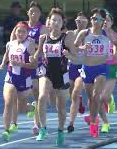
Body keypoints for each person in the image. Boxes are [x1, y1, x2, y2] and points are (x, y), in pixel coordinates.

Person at [65, 8, 117, 138]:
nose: (95, 21)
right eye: (94, 18)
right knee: (92, 100)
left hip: (102, 68)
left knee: (96, 95)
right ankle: (102, 121)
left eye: (99, 19)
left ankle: (94, 123)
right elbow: (75, 48)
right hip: (87, 68)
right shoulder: (84, 33)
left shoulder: (107, 34)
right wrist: (82, 48)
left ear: (103, 21)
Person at [30, 8, 77, 146]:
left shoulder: (66, 38)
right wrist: (31, 55)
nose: (56, 22)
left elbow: (76, 57)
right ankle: (43, 129)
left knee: (61, 109)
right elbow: (37, 55)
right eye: (53, 20)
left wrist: (69, 56)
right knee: (42, 97)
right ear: (48, 22)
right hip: (47, 73)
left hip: (62, 75)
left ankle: (60, 132)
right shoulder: (43, 38)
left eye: (59, 20)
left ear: (62, 23)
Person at [10, 1, 49, 135]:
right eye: (31, 11)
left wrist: (32, 47)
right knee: (20, 98)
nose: (34, 14)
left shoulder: (42, 28)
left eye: (36, 12)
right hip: (22, 67)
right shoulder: (21, 26)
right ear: (28, 13)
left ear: (40, 14)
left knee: (37, 94)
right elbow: (12, 41)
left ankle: (36, 124)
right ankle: (30, 109)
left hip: (37, 65)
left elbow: (44, 46)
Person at [0, 22, 37, 141]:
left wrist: (21, 64)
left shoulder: (29, 45)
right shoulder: (10, 44)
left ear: (27, 33)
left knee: (21, 108)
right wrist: (3, 63)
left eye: (23, 32)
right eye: (18, 31)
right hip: (10, 77)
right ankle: (6, 130)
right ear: (15, 32)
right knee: (8, 103)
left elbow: (34, 65)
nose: (20, 34)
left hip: (24, 79)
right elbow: (6, 54)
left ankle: (32, 109)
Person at [98, 11, 117, 133]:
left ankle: (110, 99)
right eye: (103, 20)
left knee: (104, 96)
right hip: (98, 67)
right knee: (98, 98)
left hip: (112, 67)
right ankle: (105, 123)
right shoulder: (96, 35)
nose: (105, 22)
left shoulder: (116, 36)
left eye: (108, 20)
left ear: (112, 22)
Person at [68, 11, 88, 115]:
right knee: (71, 90)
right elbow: (72, 47)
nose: (79, 23)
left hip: (84, 65)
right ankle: (79, 101)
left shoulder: (89, 34)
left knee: (77, 87)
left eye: (81, 21)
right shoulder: (72, 34)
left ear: (86, 22)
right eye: (77, 21)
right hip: (73, 64)